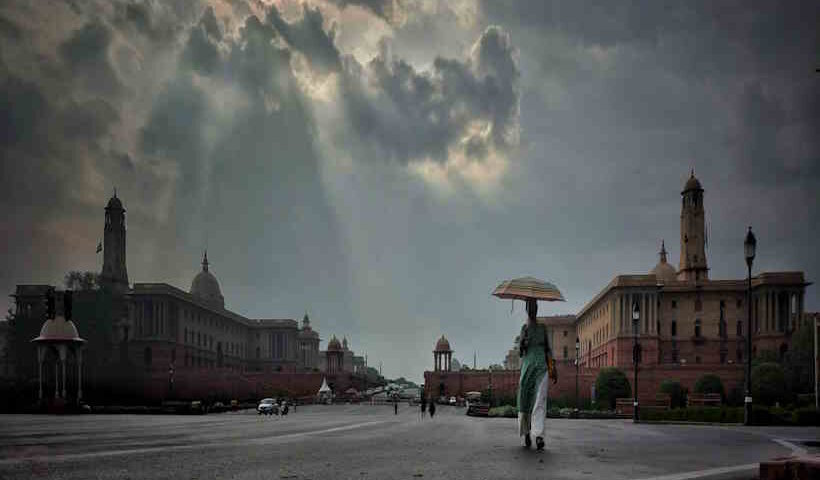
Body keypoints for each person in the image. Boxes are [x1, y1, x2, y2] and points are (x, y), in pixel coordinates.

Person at [517, 298, 558, 450]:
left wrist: (553, 366)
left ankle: (539, 435)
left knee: (540, 400)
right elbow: (521, 352)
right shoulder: (524, 329)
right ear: (527, 309)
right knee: (525, 400)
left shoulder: (542, 328)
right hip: (527, 367)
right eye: (530, 307)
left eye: (535, 306)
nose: (533, 309)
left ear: (537, 308)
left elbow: (548, 348)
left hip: (541, 367)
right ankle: (526, 432)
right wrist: (523, 343)